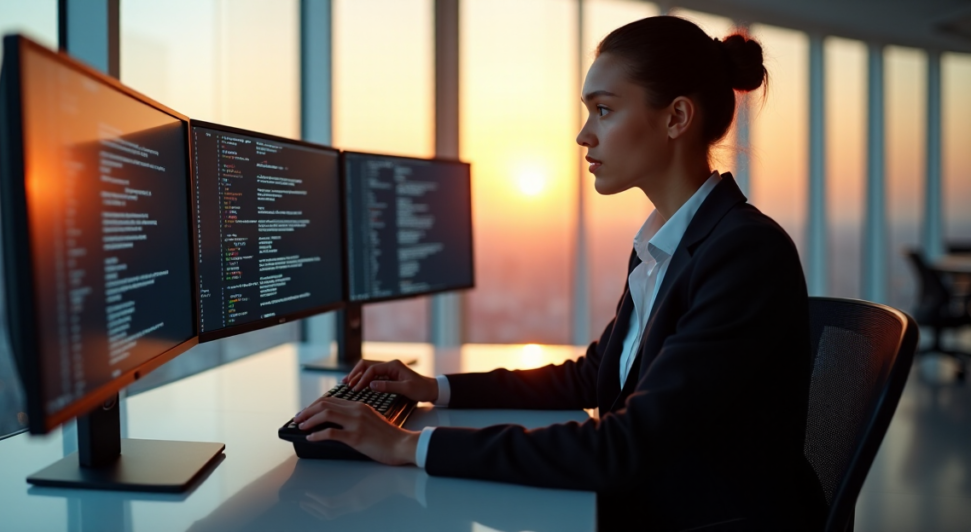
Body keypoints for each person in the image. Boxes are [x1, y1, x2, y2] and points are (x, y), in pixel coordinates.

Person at [294, 15, 827, 531]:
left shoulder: (743, 253)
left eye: (603, 110)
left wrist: (407, 445)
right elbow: (593, 377)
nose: (583, 136)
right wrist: (433, 387)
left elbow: (624, 448)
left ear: (676, 118)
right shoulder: (669, 242)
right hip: (656, 501)